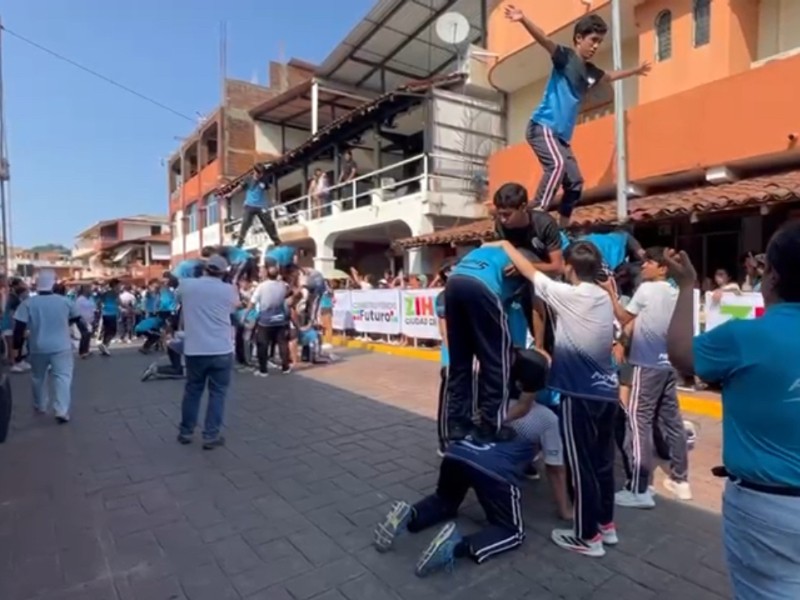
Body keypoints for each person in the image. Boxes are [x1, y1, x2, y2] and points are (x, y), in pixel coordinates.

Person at [665, 223, 800, 599]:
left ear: (772, 276)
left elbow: (680, 353)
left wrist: (687, 286)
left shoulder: (744, 336)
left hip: (766, 508)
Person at [490, 238, 619, 558]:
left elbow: (529, 272)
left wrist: (506, 244)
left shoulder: (568, 294)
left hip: (579, 395)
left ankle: (587, 537)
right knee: (603, 463)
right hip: (608, 393)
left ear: (570, 268)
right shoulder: (603, 298)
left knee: (582, 466)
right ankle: (606, 525)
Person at [372, 349, 550, 577]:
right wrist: (566, 512)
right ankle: (455, 547)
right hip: (492, 468)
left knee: (445, 500)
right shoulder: (548, 418)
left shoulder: (494, 398)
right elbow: (558, 470)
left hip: (458, 453)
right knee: (511, 531)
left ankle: (410, 514)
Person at [503, 6, 650, 227]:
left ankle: (563, 227)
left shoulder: (590, 71)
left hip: (561, 138)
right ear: (579, 38)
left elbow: (609, 76)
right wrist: (523, 19)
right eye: (593, 40)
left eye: (599, 42)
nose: (596, 46)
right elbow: (544, 40)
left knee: (575, 182)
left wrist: (635, 71)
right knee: (557, 165)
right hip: (542, 127)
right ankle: (537, 213)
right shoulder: (565, 57)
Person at [601, 247, 691, 506]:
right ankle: (681, 480)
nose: (643, 266)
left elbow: (623, 317)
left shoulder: (647, 290)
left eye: (649, 262)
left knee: (638, 420)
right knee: (672, 421)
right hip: (668, 365)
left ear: (662, 268)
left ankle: (639, 488)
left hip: (647, 364)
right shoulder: (676, 291)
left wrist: (610, 293)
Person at [176, 255, 239, 450]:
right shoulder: (229, 290)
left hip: (195, 350)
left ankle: (186, 432)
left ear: (205, 268)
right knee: (217, 393)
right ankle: (211, 435)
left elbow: (177, 297)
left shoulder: (187, 286)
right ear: (223, 272)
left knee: (193, 391)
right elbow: (234, 308)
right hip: (222, 349)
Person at [12, 270, 88, 423]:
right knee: (63, 377)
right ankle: (61, 410)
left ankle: (40, 405)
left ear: (37, 285)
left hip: (37, 347)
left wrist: (16, 349)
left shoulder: (28, 303)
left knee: (38, 377)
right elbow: (80, 322)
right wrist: (83, 344)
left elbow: (19, 328)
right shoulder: (65, 302)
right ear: (53, 284)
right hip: (62, 346)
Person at [249, 264, 291, 376]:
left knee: (263, 344)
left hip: (265, 320)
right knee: (282, 344)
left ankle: (263, 370)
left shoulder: (262, 286)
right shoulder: (283, 286)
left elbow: (253, 301)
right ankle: (285, 367)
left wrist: (246, 314)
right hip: (280, 318)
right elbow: (286, 298)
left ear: (267, 274)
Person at [227, 163, 281, 246]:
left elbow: (269, 189)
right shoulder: (248, 179)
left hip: (261, 206)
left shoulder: (264, 180)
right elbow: (239, 188)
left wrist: (273, 199)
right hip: (250, 205)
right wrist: (231, 194)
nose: (259, 176)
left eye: (261, 174)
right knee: (245, 223)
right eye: (258, 174)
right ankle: (240, 243)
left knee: (269, 223)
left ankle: (276, 241)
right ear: (254, 171)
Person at [97, 279, 121, 356]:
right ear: (115, 285)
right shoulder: (115, 293)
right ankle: (104, 344)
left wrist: (101, 308)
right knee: (113, 331)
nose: (120, 287)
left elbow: (99, 302)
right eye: (119, 285)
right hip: (112, 314)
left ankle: (105, 347)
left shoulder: (105, 293)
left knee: (107, 331)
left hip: (105, 313)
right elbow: (119, 302)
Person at [75, 285, 96, 358]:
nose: (91, 291)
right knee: (85, 334)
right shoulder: (80, 300)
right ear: (85, 290)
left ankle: (86, 350)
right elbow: (77, 311)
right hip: (82, 320)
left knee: (88, 335)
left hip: (90, 320)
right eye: (89, 289)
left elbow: (93, 308)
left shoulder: (90, 299)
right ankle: (82, 352)